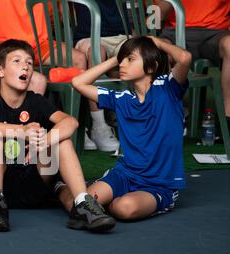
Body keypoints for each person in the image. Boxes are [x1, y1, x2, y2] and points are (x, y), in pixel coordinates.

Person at [0, 39, 116, 232]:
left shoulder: (36, 101)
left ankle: (83, 205)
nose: (25, 67)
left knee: (61, 140)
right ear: (0, 71)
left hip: (32, 183)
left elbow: (71, 122)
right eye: (17, 61)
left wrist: (44, 142)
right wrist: (21, 131)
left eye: (29, 63)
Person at [71, 36, 192, 220]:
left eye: (130, 59)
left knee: (124, 208)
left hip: (158, 184)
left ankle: (115, 202)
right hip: (125, 174)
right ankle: (94, 197)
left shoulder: (168, 88)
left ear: (151, 66)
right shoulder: (122, 98)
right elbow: (78, 83)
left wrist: (157, 43)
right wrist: (116, 57)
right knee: (84, 203)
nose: (122, 64)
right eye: (122, 60)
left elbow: (185, 58)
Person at [157, 0, 230, 130]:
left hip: (216, 32)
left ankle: (227, 120)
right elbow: (157, 15)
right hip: (174, 31)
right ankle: (164, 115)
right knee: (157, 51)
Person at [73, 0, 125, 152]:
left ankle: (145, 120)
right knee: (97, 52)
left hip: (119, 35)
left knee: (138, 52)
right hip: (88, 36)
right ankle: (99, 125)